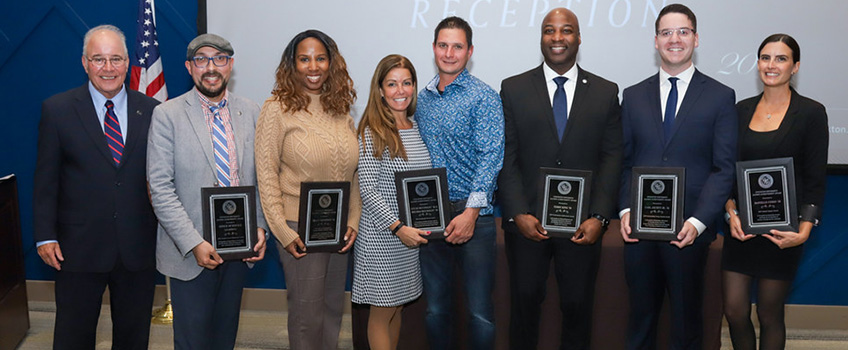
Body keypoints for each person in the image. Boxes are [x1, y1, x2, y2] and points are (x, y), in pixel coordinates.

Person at [497, 8, 622, 350]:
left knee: (577, 306)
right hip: (526, 224)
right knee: (524, 305)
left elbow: (612, 159)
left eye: (566, 31)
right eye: (549, 30)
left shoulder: (605, 91)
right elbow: (505, 158)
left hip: (583, 226)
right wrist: (517, 213)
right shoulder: (513, 88)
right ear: (541, 38)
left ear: (578, 38)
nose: (557, 37)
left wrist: (599, 216)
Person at [617, 4, 737, 349]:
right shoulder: (633, 95)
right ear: (656, 41)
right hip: (639, 232)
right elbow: (624, 162)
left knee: (686, 323)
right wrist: (625, 211)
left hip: (689, 231)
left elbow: (723, 167)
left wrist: (699, 221)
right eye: (667, 32)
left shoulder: (720, 96)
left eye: (683, 32)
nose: (675, 39)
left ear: (696, 39)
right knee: (640, 320)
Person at [33, 24, 159, 349]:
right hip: (77, 250)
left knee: (134, 338)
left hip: (137, 249)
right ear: (85, 63)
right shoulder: (57, 110)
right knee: (73, 337)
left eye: (116, 59)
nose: (108, 68)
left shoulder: (153, 111)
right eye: (99, 59)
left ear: (128, 62)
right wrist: (45, 236)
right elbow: (46, 180)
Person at [147, 33, 268, 349]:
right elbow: (160, 189)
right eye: (201, 60)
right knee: (192, 341)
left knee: (224, 337)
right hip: (190, 253)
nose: (210, 67)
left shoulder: (252, 112)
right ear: (189, 67)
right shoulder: (167, 115)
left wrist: (260, 229)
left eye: (219, 59)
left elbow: (262, 179)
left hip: (239, 250)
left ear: (230, 66)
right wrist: (194, 243)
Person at [255, 29, 360, 350]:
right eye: (304, 59)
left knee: (331, 310)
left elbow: (351, 174)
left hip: (338, 229)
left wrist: (353, 220)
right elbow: (266, 174)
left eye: (320, 58)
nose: (313, 66)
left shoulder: (340, 107)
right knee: (307, 315)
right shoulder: (276, 108)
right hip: (298, 229)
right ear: (293, 64)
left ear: (331, 63)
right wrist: (282, 232)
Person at [721, 34, 828, 350]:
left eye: (781, 59)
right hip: (742, 231)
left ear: (795, 67)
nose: (772, 65)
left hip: (784, 233)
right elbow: (729, 172)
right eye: (766, 57)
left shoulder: (810, 113)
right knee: (734, 310)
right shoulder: (739, 111)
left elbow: (815, 178)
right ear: (757, 64)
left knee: (769, 313)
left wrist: (804, 231)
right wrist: (730, 212)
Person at [415, 16, 504, 350]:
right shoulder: (420, 98)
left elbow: (490, 157)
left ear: (469, 51)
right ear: (434, 48)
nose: (449, 53)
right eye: (442, 45)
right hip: (429, 215)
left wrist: (470, 213)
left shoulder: (484, 97)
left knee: (479, 312)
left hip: (473, 218)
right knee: (436, 309)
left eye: (457, 46)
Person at [353, 54, 432, 350]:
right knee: (381, 312)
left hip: (409, 239)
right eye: (392, 84)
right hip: (383, 237)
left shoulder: (416, 127)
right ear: (380, 90)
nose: (401, 90)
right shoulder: (373, 131)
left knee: (397, 307)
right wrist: (399, 228)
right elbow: (369, 191)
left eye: (407, 82)